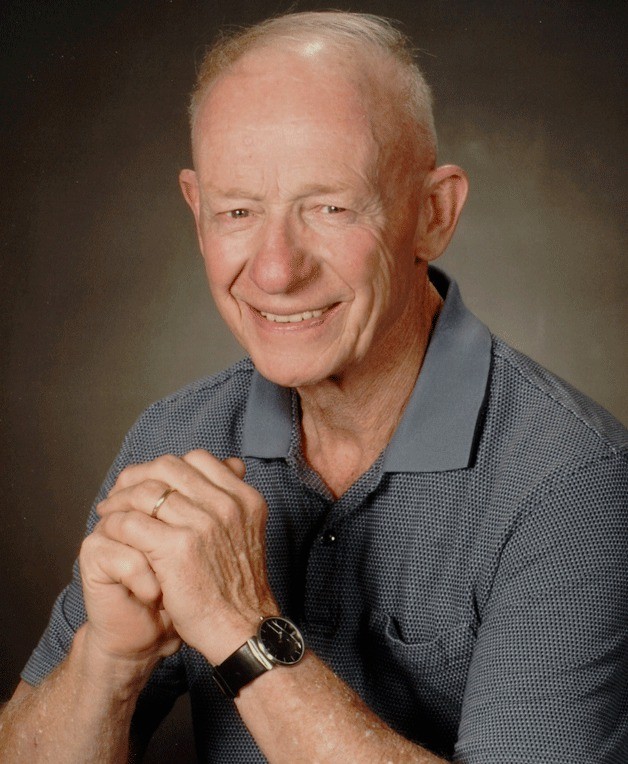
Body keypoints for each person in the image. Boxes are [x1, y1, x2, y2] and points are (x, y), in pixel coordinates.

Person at [1, 10, 626, 763]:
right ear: (197, 212)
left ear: (432, 214)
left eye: (330, 207)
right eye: (238, 211)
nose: (275, 271)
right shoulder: (175, 437)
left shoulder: (573, 484)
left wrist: (240, 627)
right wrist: (110, 659)